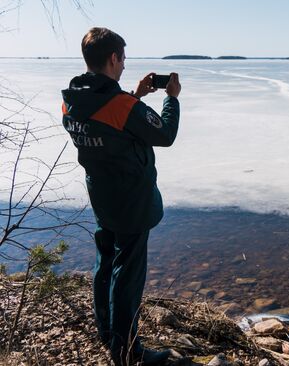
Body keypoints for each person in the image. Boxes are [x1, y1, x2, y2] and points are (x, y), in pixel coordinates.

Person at [61, 27, 181, 366]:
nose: (125, 64)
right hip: (130, 200)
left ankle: (107, 333)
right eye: (123, 58)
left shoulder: (73, 100)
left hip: (101, 194)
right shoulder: (119, 104)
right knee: (127, 276)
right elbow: (165, 133)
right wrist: (170, 97)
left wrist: (134, 96)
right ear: (113, 58)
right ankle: (127, 351)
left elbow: (107, 122)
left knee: (105, 265)